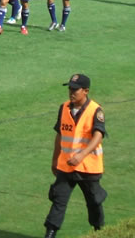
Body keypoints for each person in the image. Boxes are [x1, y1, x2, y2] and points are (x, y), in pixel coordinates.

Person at [44, 74, 107, 237]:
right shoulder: (64, 108)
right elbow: (60, 134)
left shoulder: (95, 110)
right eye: (70, 89)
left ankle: (100, 231)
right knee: (58, 200)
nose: (71, 92)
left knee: (94, 202)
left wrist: (81, 155)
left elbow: (98, 135)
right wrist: (55, 159)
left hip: (88, 167)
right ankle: (50, 233)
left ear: (85, 91)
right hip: (66, 166)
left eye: (75, 90)